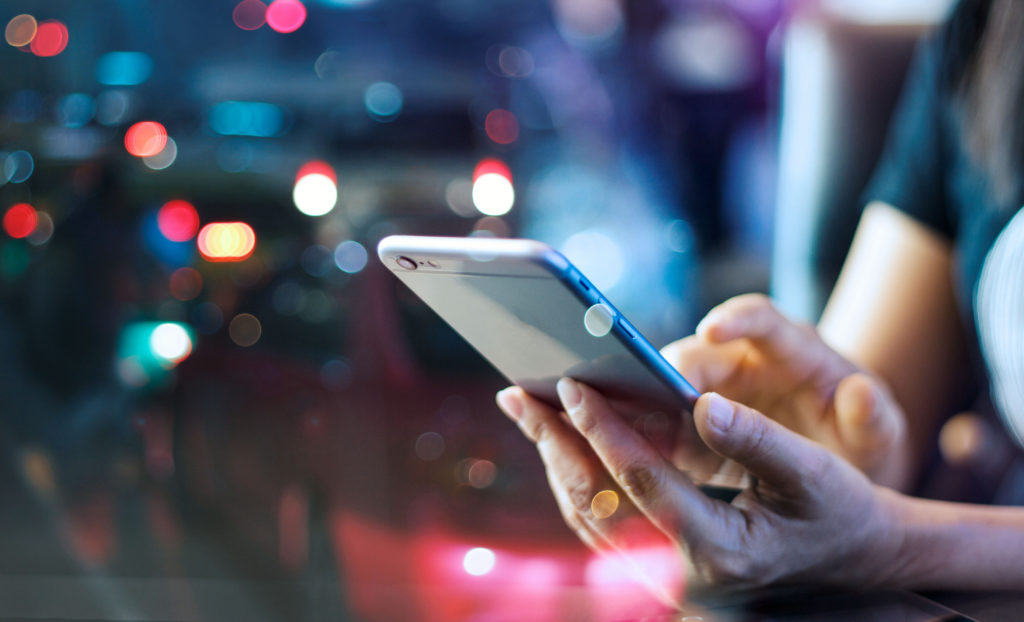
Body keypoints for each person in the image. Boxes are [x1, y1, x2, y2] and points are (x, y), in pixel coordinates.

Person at [495, 0, 1024, 595]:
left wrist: (899, 543)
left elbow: (880, 528)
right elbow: (870, 420)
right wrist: (802, 460)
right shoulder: (984, 32)